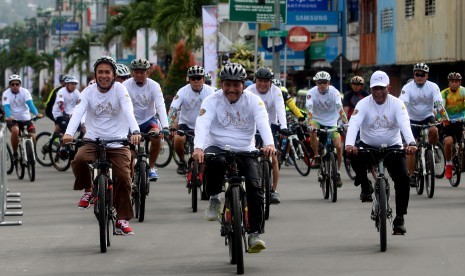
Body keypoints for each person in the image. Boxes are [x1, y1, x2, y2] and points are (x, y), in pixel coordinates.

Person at [193, 62, 275, 253]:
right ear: (221, 84)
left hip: (245, 148)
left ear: (243, 85)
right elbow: (203, 124)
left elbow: (263, 124)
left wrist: (269, 144)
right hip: (218, 145)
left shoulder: (254, 101)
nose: (231, 89)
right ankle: (214, 197)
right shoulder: (211, 100)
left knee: (255, 188)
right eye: (227, 84)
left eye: (236, 85)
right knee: (216, 161)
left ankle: (254, 233)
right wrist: (198, 148)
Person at [63, 56, 141, 235]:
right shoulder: (88, 92)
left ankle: (121, 219)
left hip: (118, 142)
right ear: (95, 74)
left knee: (123, 178)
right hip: (93, 140)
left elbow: (128, 111)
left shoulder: (120, 90)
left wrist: (135, 132)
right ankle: (89, 189)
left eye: (107, 72)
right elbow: (78, 113)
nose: (104, 76)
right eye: (100, 72)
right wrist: (68, 133)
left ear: (113, 75)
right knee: (80, 159)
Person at [345, 70, 417, 234]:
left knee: (403, 179)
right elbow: (354, 123)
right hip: (368, 146)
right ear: (370, 89)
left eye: (381, 88)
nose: (378, 92)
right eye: (374, 89)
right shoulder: (363, 104)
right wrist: (349, 144)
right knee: (351, 153)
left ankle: (399, 218)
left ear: (388, 88)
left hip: (393, 147)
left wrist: (411, 143)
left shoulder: (397, 104)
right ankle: (365, 185)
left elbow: (405, 124)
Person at [399, 63, 449, 187]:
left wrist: (445, 118)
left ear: (427, 76)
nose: (420, 77)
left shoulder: (433, 87)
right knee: (411, 147)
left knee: (434, 131)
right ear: (414, 75)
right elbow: (402, 105)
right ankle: (411, 175)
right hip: (411, 119)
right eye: (417, 74)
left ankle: (432, 150)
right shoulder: (407, 87)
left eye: (422, 75)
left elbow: (438, 103)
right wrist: (401, 120)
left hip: (427, 116)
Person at [245, 67, 288, 204]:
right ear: (255, 80)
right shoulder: (248, 91)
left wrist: (284, 127)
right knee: (247, 156)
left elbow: (281, 109)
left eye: (266, 81)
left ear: (271, 82)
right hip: (252, 127)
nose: (263, 84)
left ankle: (274, 190)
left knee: (273, 159)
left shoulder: (276, 92)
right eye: (260, 80)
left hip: (270, 127)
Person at [123, 58, 169, 181]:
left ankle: (152, 167)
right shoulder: (125, 85)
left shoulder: (154, 85)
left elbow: (160, 105)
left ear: (147, 72)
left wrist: (165, 126)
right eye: (136, 72)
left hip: (148, 120)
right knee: (128, 150)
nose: (139, 75)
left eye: (142, 72)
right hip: (130, 122)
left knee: (156, 137)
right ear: (132, 72)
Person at [168, 65, 215, 174]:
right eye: (193, 78)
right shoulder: (183, 91)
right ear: (189, 80)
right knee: (178, 139)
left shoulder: (210, 91)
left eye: (199, 78)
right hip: (186, 124)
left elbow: (218, 108)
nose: (196, 81)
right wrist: (170, 125)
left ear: (203, 79)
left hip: (204, 125)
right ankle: (181, 161)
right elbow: (173, 108)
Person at [305, 71, 348, 187]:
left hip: (332, 121)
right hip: (317, 120)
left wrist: (345, 123)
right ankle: (317, 156)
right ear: (316, 83)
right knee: (312, 131)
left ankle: (337, 173)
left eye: (324, 83)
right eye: (320, 83)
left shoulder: (335, 92)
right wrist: (309, 123)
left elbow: (340, 108)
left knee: (338, 146)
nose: (322, 85)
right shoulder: (311, 93)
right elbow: (309, 109)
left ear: (328, 83)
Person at [2, 74, 44, 159]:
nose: (15, 86)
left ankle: (31, 153)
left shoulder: (25, 92)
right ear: (9, 85)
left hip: (25, 118)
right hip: (13, 119)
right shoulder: (6, 93)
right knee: (15, 131)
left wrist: (36, 113)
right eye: (12, 84)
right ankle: (15, 153)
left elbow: (30, 104)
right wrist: (9, 116)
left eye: (17, 84)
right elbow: (6, 107)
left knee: (33, 136)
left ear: (20, 84)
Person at [440, 72, 465, 179]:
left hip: (462, 120)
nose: (454, 84)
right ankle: (449, 164)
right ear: (449, 83)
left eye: (456, 81)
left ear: (460, 82)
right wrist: (444, 118)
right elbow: (441, 108)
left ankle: (461, 155)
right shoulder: (444, 93)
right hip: (449, 122)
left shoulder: (464, 91)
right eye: (452, 82)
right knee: (449, 142)